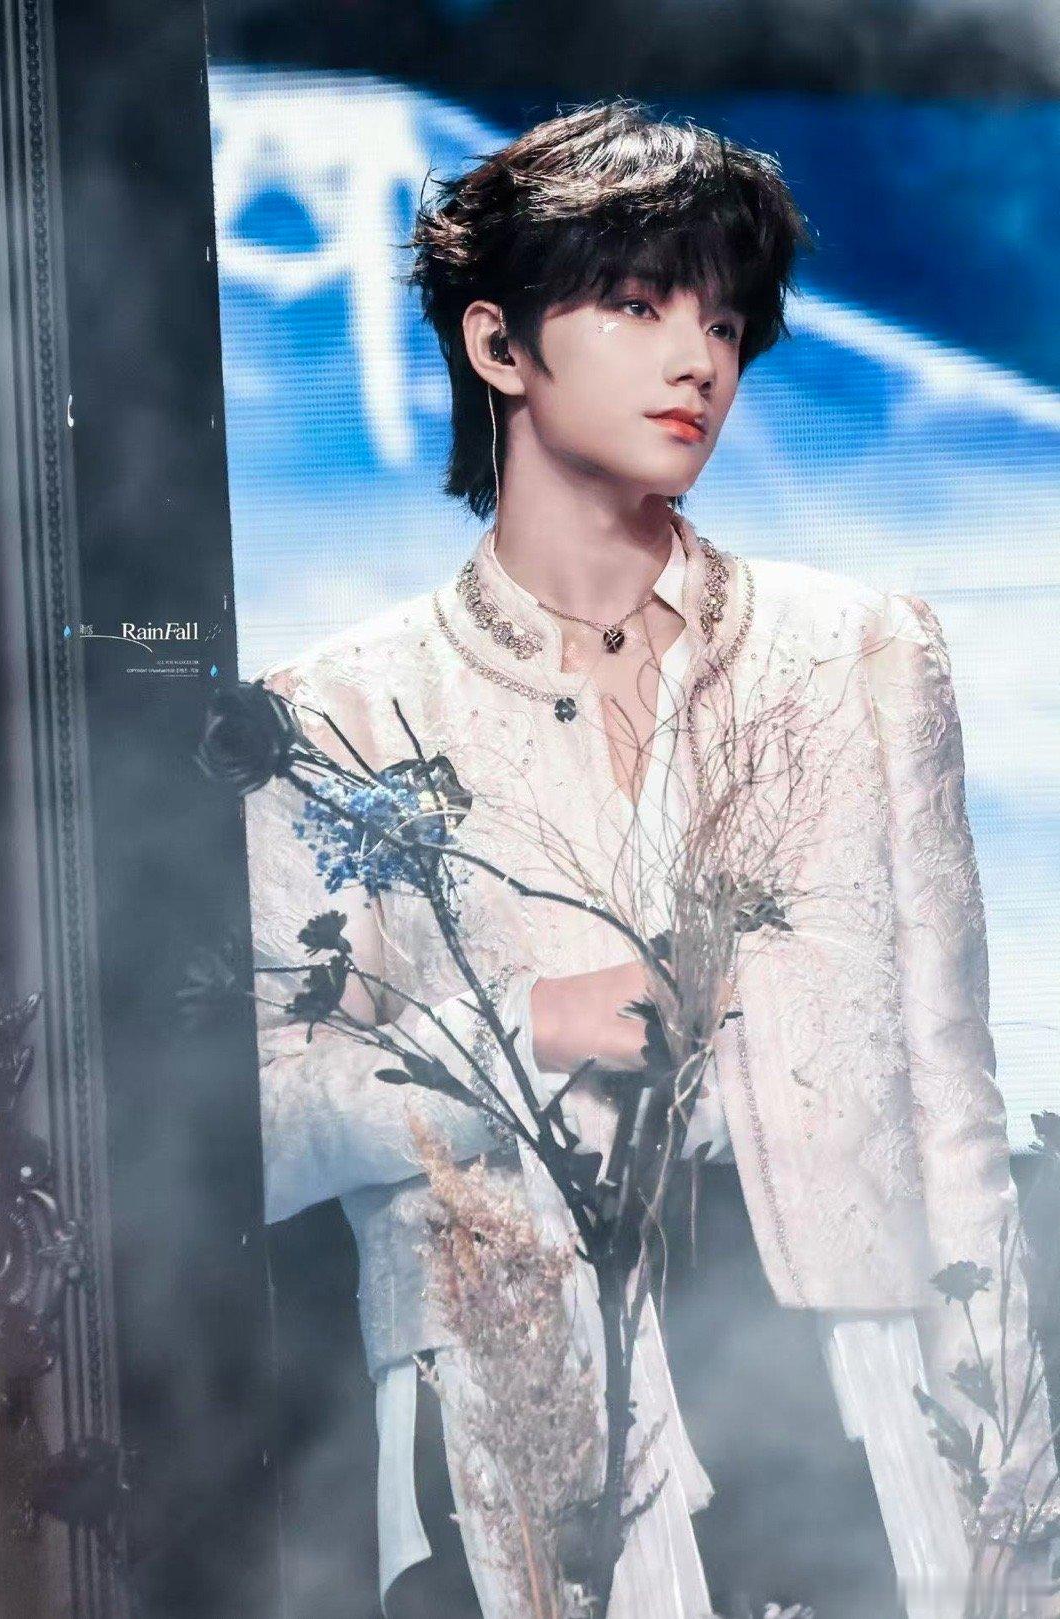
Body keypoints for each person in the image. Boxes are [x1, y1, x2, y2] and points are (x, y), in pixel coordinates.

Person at [244, 100, 1057, 1618]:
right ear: (499, 344)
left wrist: (1024, 1494)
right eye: (634, 305)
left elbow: (953, 1104)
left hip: (838, 1395)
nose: (699, 361)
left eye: (726, 322)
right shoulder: (340, 711)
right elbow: (264, 1127)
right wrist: (531, 1028)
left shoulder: (862, 656)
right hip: (518, 1412)